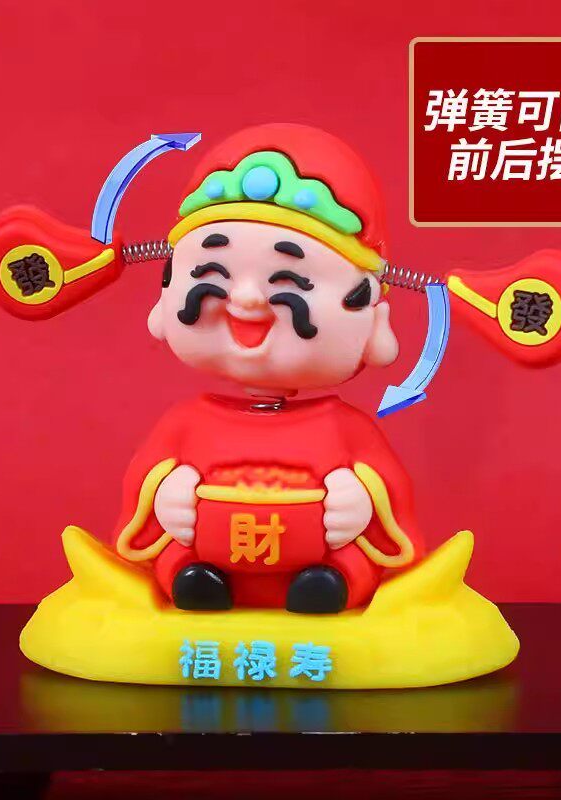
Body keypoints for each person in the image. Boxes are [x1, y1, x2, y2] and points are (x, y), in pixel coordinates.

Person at [112, 123, 424, 613]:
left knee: (350, 561)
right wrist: (166, 498)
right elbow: (144, 488)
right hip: (208, 555)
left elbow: (389, 498)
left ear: (371, 316)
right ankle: (194, 580)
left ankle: (332, 584)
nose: (247, 299)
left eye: (289, 279)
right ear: (165, 293)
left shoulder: (345, 430)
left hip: (317, 560)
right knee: (177, 558)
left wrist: (362, 503)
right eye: (211, 272)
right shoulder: (185, 426)